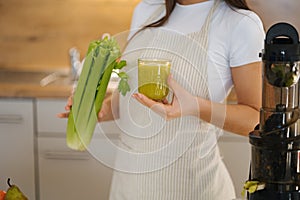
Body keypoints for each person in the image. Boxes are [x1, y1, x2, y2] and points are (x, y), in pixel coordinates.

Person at [59, 0, 265, 199]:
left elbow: (256, 118)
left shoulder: (240, 24)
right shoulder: (147, 9)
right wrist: (99, 109)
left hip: (192, 188)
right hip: (129, 188)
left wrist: (195, 107)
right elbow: (133, 96)